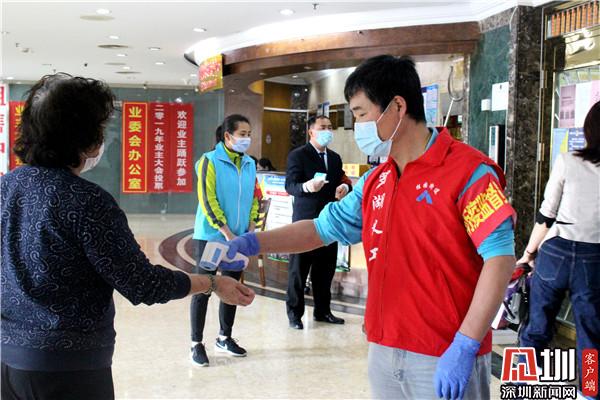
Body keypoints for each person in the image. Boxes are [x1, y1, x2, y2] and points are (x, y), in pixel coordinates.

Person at [219, 55, 517, 400]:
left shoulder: (469, 172)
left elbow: (500, 259)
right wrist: (255, 242)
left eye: (360, 113)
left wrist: (466, 343)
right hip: (384, 347)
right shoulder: (377, 181)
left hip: (445, 352)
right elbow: (318, 229)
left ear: (397, 107)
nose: (357, 125)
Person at [0, 73, 255, 400]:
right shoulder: (88, 202)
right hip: (68, 368)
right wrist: (212, 283)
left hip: (7, 360)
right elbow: (141, 283)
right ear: (86, 137)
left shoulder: (7, 187)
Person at [518, 100, 600, 398]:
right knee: (591, 335)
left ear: (589, 130)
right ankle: (590, 392)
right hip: (594, 259)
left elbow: (546, 215)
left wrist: (528, 254)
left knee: (536, 327)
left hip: (556, 253)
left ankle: (522, 385)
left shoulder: (568, 161)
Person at [190, 114, 261, 366]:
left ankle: (224, 337)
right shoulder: (208, 161)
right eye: (242, 134)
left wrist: (250, 227)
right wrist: (226, 232)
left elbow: (255, 197)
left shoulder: (250, 163)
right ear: (228, 136)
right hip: (212, 237)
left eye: (249, 134)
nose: (247, 139)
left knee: (232, 287)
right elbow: (207, 200)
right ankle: (196, 343)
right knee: (204, 287)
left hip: (239, 239)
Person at [284, 115, 352, 329]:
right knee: (299, 270)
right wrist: (307, 187)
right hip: (305, 222)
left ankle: (323, 311)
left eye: (330, 127)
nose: (327, 131)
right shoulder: (298, 155)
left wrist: (345, 187)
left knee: (325, 269)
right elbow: (290, 185)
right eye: (323, 127)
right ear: (311, 131)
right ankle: (295, 314)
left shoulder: (334, 157)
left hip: (329, 221)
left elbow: (342, 178)